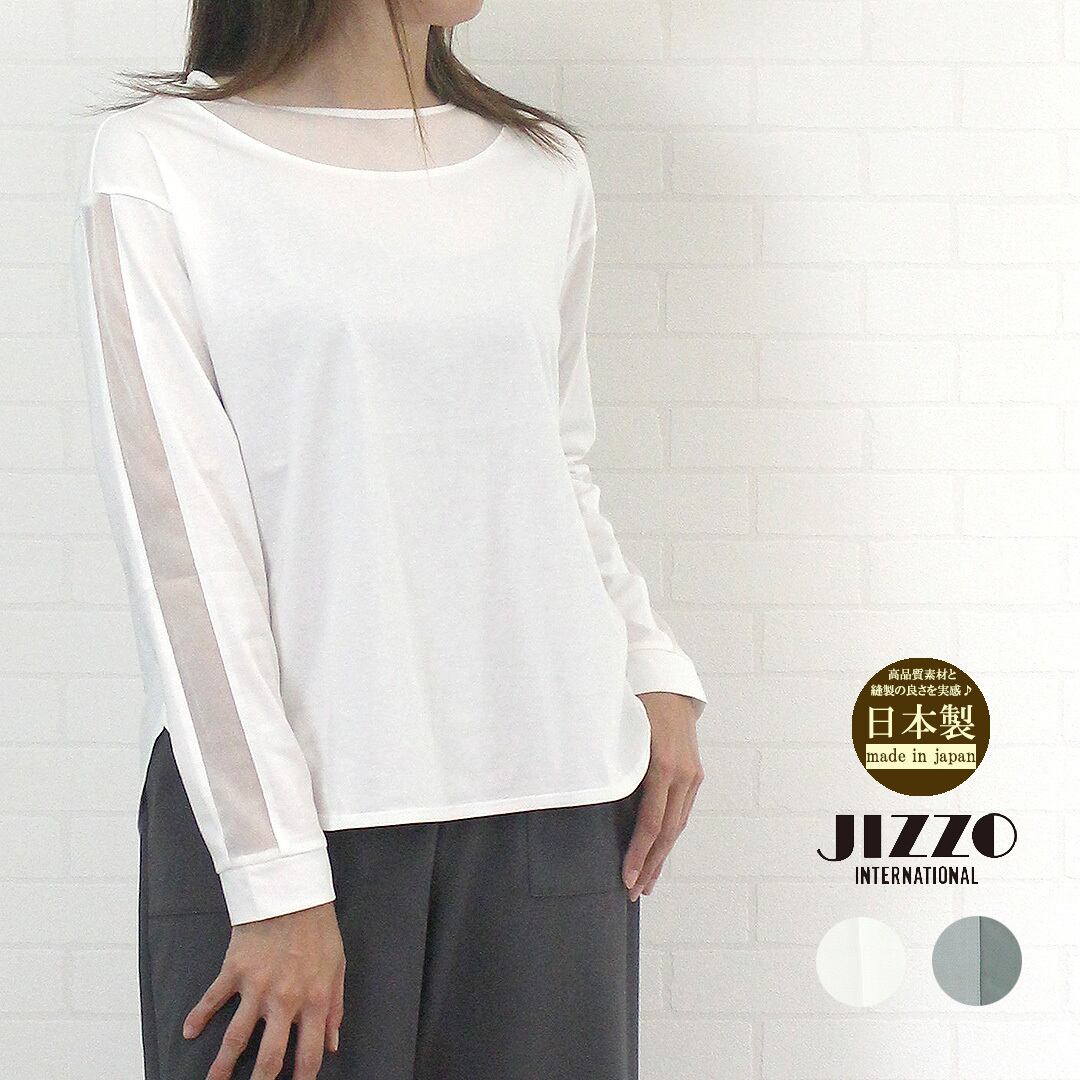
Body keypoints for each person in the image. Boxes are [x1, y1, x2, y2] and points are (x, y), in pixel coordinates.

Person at [71, 1, 707, 1077]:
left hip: (557, 800)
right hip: (299, 819)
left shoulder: (540, 169)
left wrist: (653, 668)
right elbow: (181, 539)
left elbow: (555, 459)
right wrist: (275, 878)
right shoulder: (162, 163)